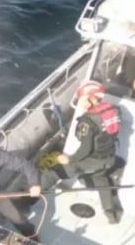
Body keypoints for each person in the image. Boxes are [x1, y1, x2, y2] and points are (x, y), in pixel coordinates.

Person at [41, 80, 124, 223]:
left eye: (83, 99)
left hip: (91, 161)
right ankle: (112, 215)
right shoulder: (115, 111)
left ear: (92, 98)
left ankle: (35, 194)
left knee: (52, 174)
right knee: (101, 180)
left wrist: (69, 160)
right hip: (108, 159)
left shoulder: (87, 121)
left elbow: (85, 149)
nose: (80, 103)